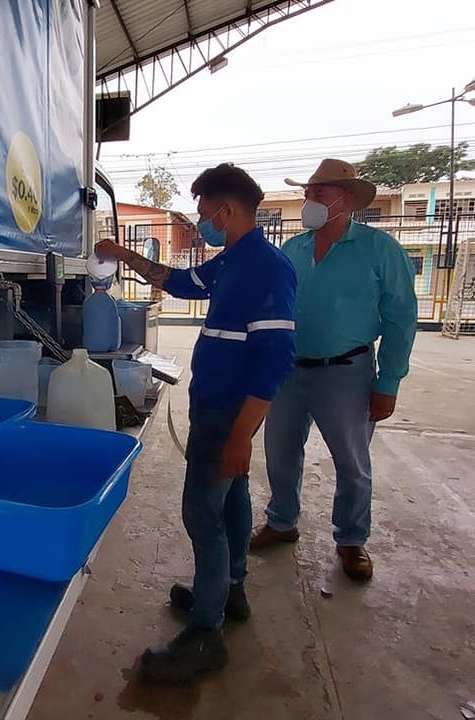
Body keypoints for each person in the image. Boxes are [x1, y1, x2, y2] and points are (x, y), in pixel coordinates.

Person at [95, 163, 296, 682]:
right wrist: (123, 255)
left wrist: (240, 435)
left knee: (202, 516)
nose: (202, 221)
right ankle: (230, 592)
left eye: (204, 212)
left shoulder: (266, 268)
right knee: (232, 501)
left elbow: (275, 359)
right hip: (216, 407)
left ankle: (206, 634)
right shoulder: (232, 261)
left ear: (225, 211)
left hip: (229, 413)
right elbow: (181, 283)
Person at [251, 159, 418, 581]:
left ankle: (351, 540)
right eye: (307, 192)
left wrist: (388, 381)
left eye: (319, 193)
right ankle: (281, 520)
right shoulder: (293, 249)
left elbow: (401, 317)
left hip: (347, 371)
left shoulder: (380, 249)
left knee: (351, 461)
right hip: (288, 369)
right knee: (280, 452)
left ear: (345, 199)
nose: (310, 200)